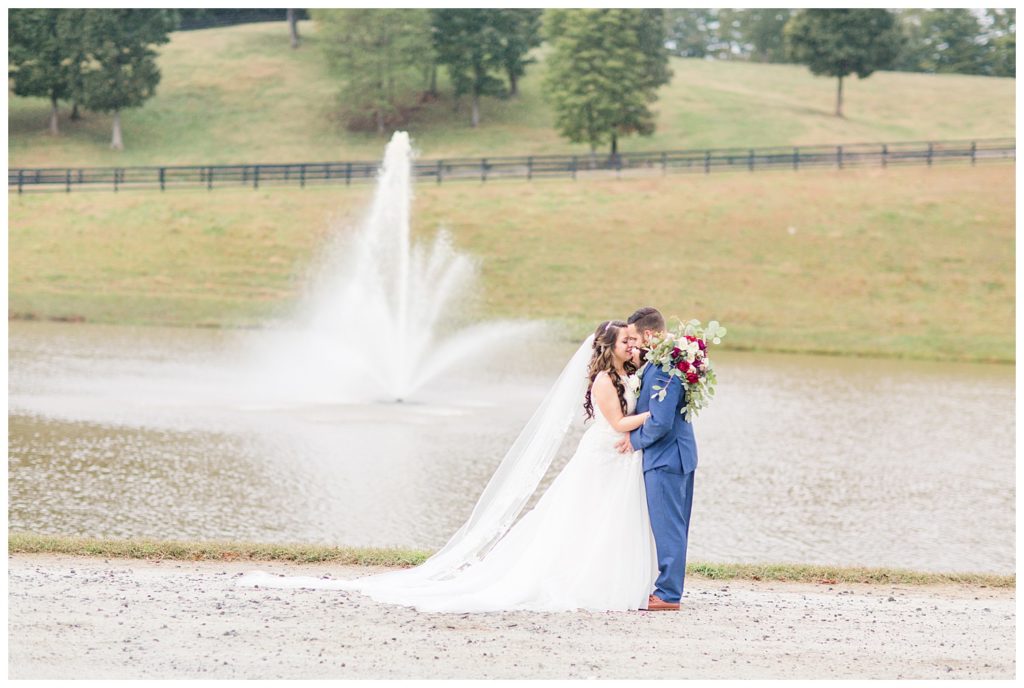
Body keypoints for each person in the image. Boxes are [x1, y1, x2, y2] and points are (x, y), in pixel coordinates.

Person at [238, 320, 659, 612]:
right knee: (580, 518)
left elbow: (632, 403)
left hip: (618, 455)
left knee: (606, 520)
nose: (633, 346)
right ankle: (582, 581)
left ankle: (608, 580)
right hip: (604, 454)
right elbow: (619, 422)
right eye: (626, 341)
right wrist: (657, 416)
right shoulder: (605, 380)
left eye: (633, 341)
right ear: (609, 346)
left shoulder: (630, 372)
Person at [617, 306, 699, 611]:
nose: (634, 344)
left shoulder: (665, 367)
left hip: (667, 457)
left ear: (649, 334)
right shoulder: (664, 362)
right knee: (672, 524)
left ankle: (667, 594)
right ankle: (668, 587)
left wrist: (633, 441)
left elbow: (661, 421)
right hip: (677, 454)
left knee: (669, 526)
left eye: (636, 338)